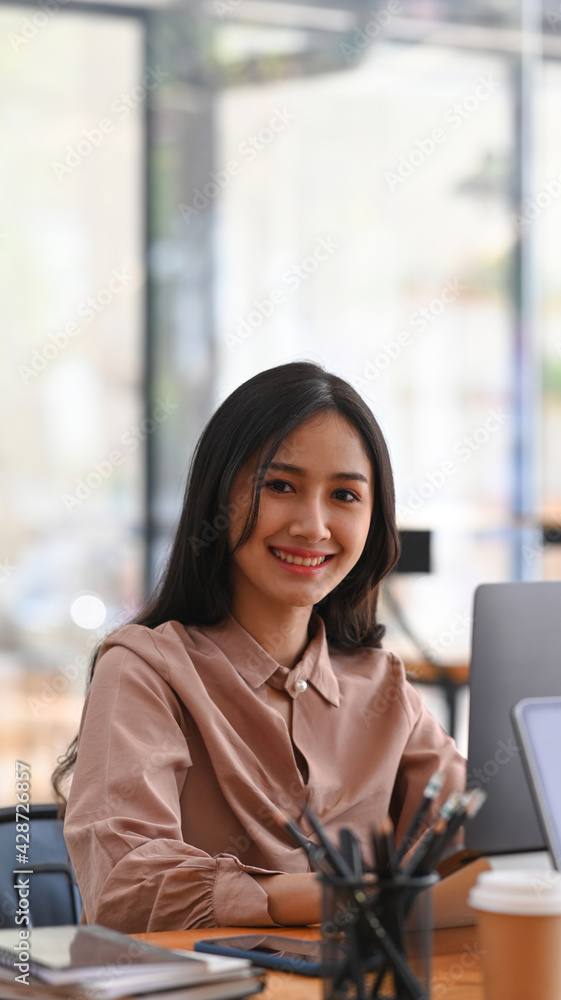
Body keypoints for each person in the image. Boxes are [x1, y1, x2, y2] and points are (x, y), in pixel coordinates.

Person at [55, 361, 465, 933]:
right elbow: (128, 887)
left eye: (345, 495)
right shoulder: (146, 669)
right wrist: (337, 898)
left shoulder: (383, 687)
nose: (313, 526)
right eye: (280, 486)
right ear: (218, 498)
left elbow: (474, 839)